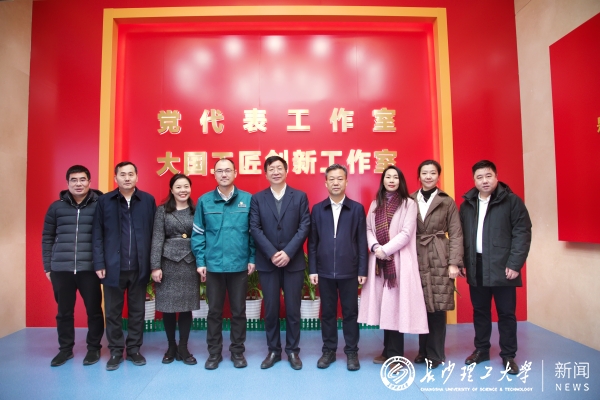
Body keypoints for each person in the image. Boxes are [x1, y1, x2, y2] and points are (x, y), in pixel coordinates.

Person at [459, 160, 531, 375]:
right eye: (479, 177)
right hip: (476, 265)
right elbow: (460, 236)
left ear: (496, 177)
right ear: (474, 180)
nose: (484, 181)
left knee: (506, 313)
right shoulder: (467, 204)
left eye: (488, 176)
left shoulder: (512, 201)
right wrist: (461, 261)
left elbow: (522, 232)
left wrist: (515, 264)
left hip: (503, 267)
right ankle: (481, 350)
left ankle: (508, 355)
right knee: (480, 311)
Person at [358, 165, 428, 362]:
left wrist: (385, 250)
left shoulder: (408, 204)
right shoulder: (375, 204)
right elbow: (368, 229)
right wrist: (375, 247)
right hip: (379, 263)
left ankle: (396, 356)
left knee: (396, 308)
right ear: (383, 180)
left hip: (398, 262)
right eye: (388, 177)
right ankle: (387, 351)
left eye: (395, 177)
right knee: (385, 307)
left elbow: (406, 233)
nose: (391, 180)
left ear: (400, 181)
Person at [92, 161, 157, 371]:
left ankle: (134, 350)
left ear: (137, 177)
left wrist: (153, 264)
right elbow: (97, 234)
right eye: (123, 174)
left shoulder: (147, 200)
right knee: (113, 312)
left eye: (131, 174)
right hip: (112, 267)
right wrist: (99, 263)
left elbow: (155, 234)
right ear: (116, 178)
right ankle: (115, 351)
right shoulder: (104, 201)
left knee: (137, 312)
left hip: (139, 267)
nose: (127, 178)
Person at [192, 159, 255, 370]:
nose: (224, 174)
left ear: (235, 173)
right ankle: (214, 353)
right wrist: (201, 261)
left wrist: (252, 259)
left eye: (228, 170)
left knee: (239, 312)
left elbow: (253, 233)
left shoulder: (247, 199)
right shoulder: (204, 201)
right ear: (214, 174)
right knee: (214, 312)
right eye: (220, 171)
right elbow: (198, 234)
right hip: (214, 266)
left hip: (239, 266)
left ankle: (237, 352)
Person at [249, 155, 310, 370]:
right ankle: (273, 350)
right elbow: (255, 228)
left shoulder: (299, 196)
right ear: (265, 174)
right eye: (271, 169)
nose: (275, 172)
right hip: (268, 263)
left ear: (286, 171)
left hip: (293, 263)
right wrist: (272, 253)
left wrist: (288, 252)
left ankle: (293, 350)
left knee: (293, 309)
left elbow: (304, 226)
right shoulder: (257, 198)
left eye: (279, 168)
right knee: (271, 310)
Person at [42, 165, 104, 367]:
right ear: (67, 183)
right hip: (61, 269)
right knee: (64, 312)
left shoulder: (100, 205)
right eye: (74, 180)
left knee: (94, 310)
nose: (78, 184)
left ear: (89, 182)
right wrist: (48, 266)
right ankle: (65, 350)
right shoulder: (56, 208)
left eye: (82, 179)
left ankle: (93, 348)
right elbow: (47, 237)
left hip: (90, 268)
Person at [308, 164, 368, 371]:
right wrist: (313, 269)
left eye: (340, 179)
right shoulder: (318, 209)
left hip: (349, 270)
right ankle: (329, 351)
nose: (336, 182)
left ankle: (352, 352)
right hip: (324, 271)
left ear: (346, 182)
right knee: (328, 313)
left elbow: (361, 241)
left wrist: (362, 270)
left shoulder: (356, 209)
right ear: (326, 183)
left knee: (350, 313)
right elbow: (312, 243)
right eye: (331, 179)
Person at [409, 160, 463, 369]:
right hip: (416, 255)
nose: (428, 176)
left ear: (438, 176)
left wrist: (454, 263)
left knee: (438, 307)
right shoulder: (410, 200)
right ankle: (422, 351)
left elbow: (456, 234)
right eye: (425, 173)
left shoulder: (446, 201)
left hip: (440, 255)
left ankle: (436, 354)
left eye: (432, 173)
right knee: (421, 306)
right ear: (419, 176)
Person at [150, 174, 199, 365]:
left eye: (186, 186)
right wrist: (155, 266)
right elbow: (157, 239)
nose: (182, 190)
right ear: (171, 189)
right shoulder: (162, 211)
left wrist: (202, 264)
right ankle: (171, 346)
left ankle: (183, 347)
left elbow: (202, 238)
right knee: (168, 308)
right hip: (168, 264)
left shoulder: (196, 210)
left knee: (186, 307)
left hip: (190, 263)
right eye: (178, 187)